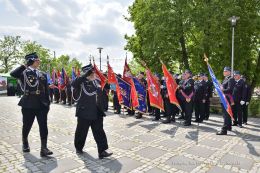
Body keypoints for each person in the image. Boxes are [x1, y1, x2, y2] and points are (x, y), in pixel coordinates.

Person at [10, 52, 53, 157]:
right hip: (28, 103)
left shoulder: (42, 74)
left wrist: (48, 102)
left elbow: (46, 89)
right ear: (31, 61)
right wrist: (25, 65)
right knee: (27, 125)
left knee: (43, 126)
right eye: (37, 60)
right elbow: (13, 74)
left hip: (42, 104)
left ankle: (44, 148)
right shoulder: (24, 72)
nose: (39, 61)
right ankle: (25, 142)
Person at [72, 64, 112, 159]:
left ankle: (102, 150)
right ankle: (79, 147)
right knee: (82, 132)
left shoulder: (97, 81)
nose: (94, 74)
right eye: (91, 72)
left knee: (99, 131)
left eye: (93, 72)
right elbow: (73, 84)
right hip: (84, 111)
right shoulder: (81, 82)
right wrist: (84, 75)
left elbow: (106, 87)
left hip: (96, 110)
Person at [217, 67, 235, 135]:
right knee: (227, 114)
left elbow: (230, 89)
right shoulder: (225, 79)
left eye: (225, 71)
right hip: (224, 98)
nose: (224, 72)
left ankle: (224, 130)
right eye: (224, 71)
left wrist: (222, 90)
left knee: (226, 115)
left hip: (227, 99)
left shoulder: (231, 79)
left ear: (229, 72)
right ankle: (229, 127)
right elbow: (223, 88)